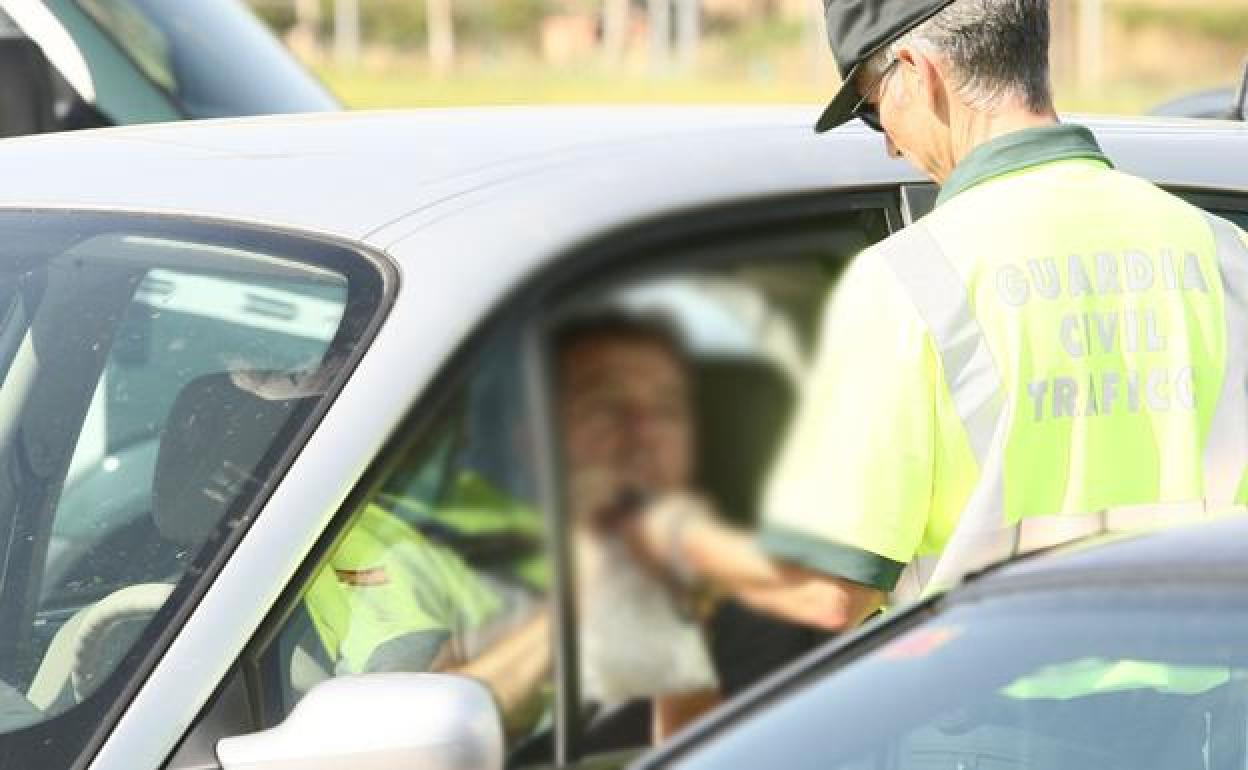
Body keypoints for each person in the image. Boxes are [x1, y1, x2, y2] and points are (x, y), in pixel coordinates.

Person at [622, 0, 1248, 633]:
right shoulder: (1227, 254)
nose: (892, 145)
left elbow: (830, 597)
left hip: (984, 708)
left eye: (872, 110)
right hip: (1198, 714)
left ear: (919, 71)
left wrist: (682, 546)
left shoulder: (910, 281)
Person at [304, 309, 719, 741]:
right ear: (531, 431)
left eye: (666, 409)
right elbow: (411, 742)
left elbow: (696, 739)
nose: (642, 432)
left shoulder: (718, 575)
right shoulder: (379, 537)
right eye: (604, 406)